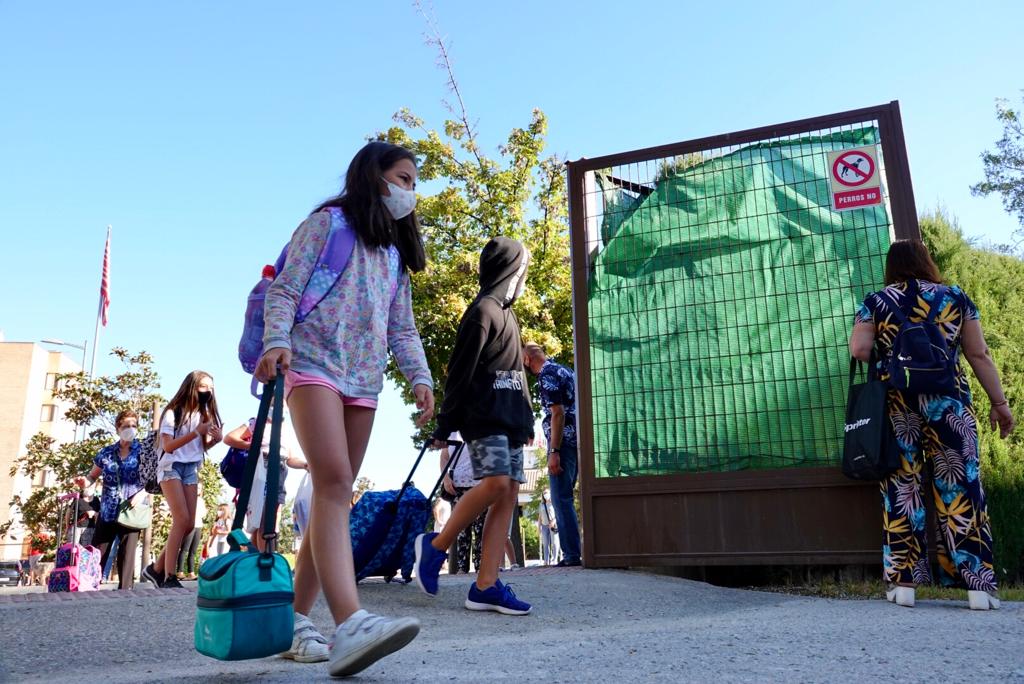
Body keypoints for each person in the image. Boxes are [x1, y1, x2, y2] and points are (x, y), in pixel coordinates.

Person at [256, 141, 435, 676]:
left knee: (337, 494)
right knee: (333, 482)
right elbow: (283, 289)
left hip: (363, 379)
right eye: (402, 177)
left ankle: (291, 621)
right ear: (373, 176)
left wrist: (420, 377)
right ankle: (350, 622)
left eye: (413, 182)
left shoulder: (394, 256)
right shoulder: (327, 224)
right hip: (311, 363)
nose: (410, 191)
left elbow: (401, 326)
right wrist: (274, 342)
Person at [848, 240, 1016, 610]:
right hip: (949, 402)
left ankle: (903, 585)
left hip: (896, 404)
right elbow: (978, 354)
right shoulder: (956, 297)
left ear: (891, 266)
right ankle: (978, 588)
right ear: (927, 263)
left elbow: (859, 351)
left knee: (902, 486)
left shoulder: (875, 301)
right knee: (962, 486)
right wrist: (999, 404)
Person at [415, 237, 535, 616]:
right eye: (520, 269)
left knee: (509, 493)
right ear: (507, 271)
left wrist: (528, 417)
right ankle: (433, 547)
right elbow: (460, 374)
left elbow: (517, 373)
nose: (523, 278)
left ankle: (485, 585)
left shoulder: (510, 317)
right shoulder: (482, 311)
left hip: (511, 420)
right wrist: (445, 424)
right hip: (482, 419)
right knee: (497, 482)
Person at [141, 371, 223, 589]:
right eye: (204, 387)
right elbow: (168, 446)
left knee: (188, 524)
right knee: (181, 519)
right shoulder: (172, 413)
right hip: (170, 467)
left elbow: (199, 447)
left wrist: (214, 440)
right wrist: (196, 432)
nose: (209, 392)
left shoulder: (205, 414)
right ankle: (168, 576)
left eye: (211, 388)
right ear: (192, 387)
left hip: (191, 468)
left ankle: (155, 569)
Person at [74, 409, 149, 590]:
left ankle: (125, 594)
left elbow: (154, 479)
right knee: (97, 553)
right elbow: (92, 476)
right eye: (126, 426)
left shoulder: (144, 450)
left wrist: (141, 494)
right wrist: (84, 481)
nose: (130, 429)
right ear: (118, 428)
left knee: (126, 558)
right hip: (108, 510)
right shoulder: (106, 453)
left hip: (131, 511)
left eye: (133, 425)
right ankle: (89, 587)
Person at [523, 343, 582, 567]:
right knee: (567, 497)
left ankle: (571, 555)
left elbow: (557, 413)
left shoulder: (545, 376)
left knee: (560, 498)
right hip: (577, 440)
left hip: (563, 442)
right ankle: (573, 551)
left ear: (528, 359)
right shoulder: (565, 370)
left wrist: (554, 451)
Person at [223, 411, 308, 552]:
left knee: (267, 520)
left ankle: (255, 561)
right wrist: (253, 446)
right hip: (262, 467)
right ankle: (265, 562)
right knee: (263, 520)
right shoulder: (257, 422)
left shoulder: (286, 429)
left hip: (280, 469)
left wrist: (305, 465)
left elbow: (290, 458)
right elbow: (229, 438)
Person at [440, 432, 486, 574]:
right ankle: (462, 567)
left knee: (480, 527)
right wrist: (445, 478)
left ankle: (480, 566)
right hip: (457, 486)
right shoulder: (452, 433)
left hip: (480, 484)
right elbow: (443, 457)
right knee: (461, 528)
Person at [176, 486, 206, 580]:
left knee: (193, 551)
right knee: (185, 549)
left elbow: (203, 514)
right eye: (197, 487)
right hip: (190, 525)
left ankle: (191, 572)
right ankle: (180, 571)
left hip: (198, 525)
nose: (198, 490)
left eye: (200, 488)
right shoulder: (189, 499)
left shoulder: (201, 501)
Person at [538, 489, 558, 566]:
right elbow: (539, 517)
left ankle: (555, 559)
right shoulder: (541, 504)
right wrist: (538, 527)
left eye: (547, 492)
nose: (545, 494)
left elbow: (558, 514)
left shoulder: (554, 503)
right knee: (545, 544)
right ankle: (546, 560)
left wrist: (554, 521)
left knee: (554, 543)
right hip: (544, 525)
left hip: (553, 525)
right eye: (544, 493)